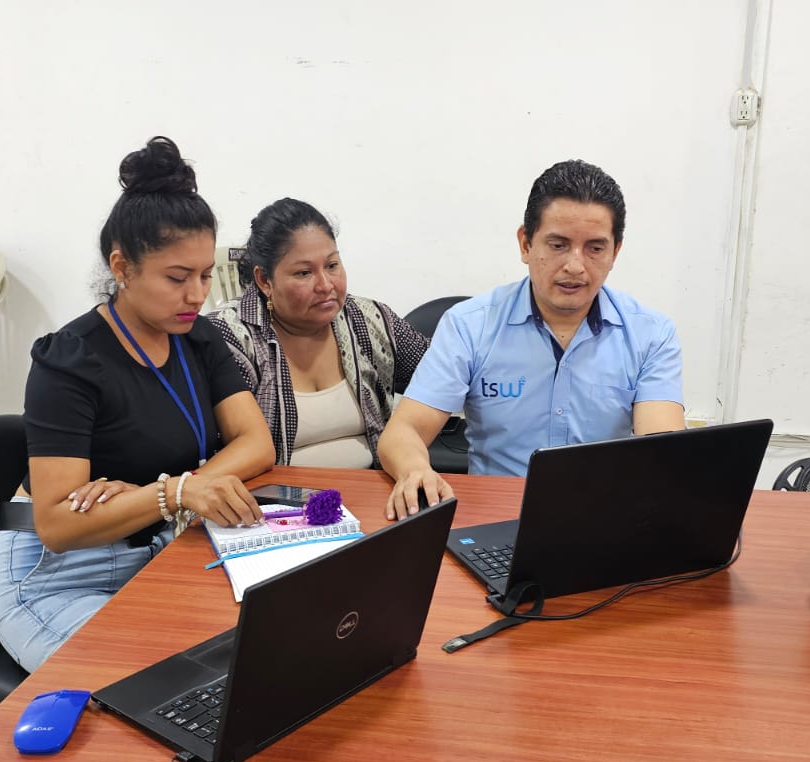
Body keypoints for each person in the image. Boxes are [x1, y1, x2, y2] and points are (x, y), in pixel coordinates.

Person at [0, 136, 274, 762]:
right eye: (177, 277)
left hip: (153, 546)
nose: (197, 294)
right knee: (163, 691)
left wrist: (158, 491)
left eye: (205, 274)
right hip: (52, 573)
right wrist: (173, 491)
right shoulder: (69, 359)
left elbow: (256, 443)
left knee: (264, 652)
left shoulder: (198, 338)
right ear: (121, 266)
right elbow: (58, 522)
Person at [376, 159, 685, 519]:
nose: (575, 265)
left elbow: (661, 450)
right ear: (525, 244)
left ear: (615, 252)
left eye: (595, 248)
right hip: (495, 517)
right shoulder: (470, 326)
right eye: (558, 244)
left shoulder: (650, 335)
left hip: (603, 517)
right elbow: (403, 431)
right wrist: (415, 469)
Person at [208, 198, 429, 467]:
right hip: (272, 493)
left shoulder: (368, 319)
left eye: (332, 265)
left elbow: (441, 370)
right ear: (264, 280)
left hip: (373, 488)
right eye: (304, 273)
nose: (325, 285)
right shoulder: (229, 339)